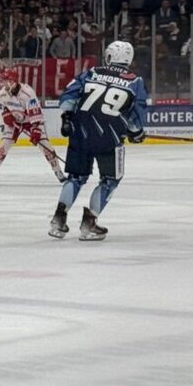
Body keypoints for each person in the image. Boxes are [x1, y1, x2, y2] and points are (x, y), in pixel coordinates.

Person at [49, 40, 148, 241]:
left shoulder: (92, 72)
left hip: (81, 131)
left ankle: (58, 220)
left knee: (75, 178)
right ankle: (89, 223)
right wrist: (136, 132)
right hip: (109, 137)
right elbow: (136, 114)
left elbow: (68, 97)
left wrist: (67, 118)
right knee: (110, 180)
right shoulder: (135, 81)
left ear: (109, 56)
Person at [0, 68, 65, 183]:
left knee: (46, 146)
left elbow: (36, 113)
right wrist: (6, 114)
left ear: (12, 81)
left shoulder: (27, 93)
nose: (2, 83)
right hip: (15, 122)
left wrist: (36, 130)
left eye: (5, 80)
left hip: (31, 121)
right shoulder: (2, 94)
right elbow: (4, 107)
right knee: (3, 146)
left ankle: (58, 171)